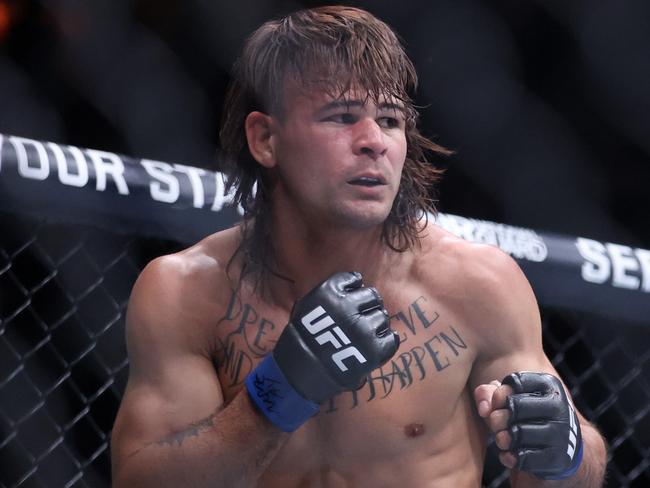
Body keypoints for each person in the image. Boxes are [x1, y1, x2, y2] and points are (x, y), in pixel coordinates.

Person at [110, 5, 607, 487]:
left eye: (390, 120)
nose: (375, 141)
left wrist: (566, 455)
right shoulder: (187, 291)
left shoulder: (476, 282)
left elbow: (571, 470)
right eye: (342, 116)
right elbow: (140, 480)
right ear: (266, 138)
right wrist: (277, 393)